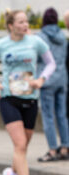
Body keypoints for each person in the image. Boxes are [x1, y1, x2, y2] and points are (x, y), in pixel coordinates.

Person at [0, 10, 56, 175]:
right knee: (20, 145)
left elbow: (51, 63)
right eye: (21, 22)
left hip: (31, 100)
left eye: (26, 21)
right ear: (11, 26)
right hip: (9, 99)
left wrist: (41, 79)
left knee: (23, 146)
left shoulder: (35, 42)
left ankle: (11, 174)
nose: (25, 25)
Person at [36, 8, 69, 161]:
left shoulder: (40, 37)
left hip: (47, 81)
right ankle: (65, 148)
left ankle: (52, 150)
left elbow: (35, 58)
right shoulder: (63, 36)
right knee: (62, 116)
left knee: (48, 117)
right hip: (62, 81)